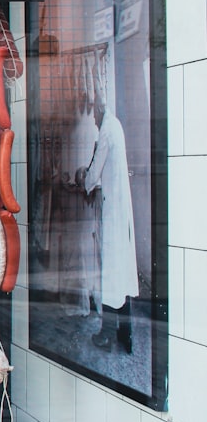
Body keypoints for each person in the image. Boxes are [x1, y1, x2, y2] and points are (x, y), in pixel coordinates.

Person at [76, 94, 139, 353]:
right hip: (119, 209)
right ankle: (126, 334)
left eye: (94, 116)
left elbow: (93, 175)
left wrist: (84, 179)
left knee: (112, 274)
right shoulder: (116, 126)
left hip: (112, 211)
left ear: (99, 110)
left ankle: (107, 334)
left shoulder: (106, 131)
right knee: (120, 274)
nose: (93, 120)